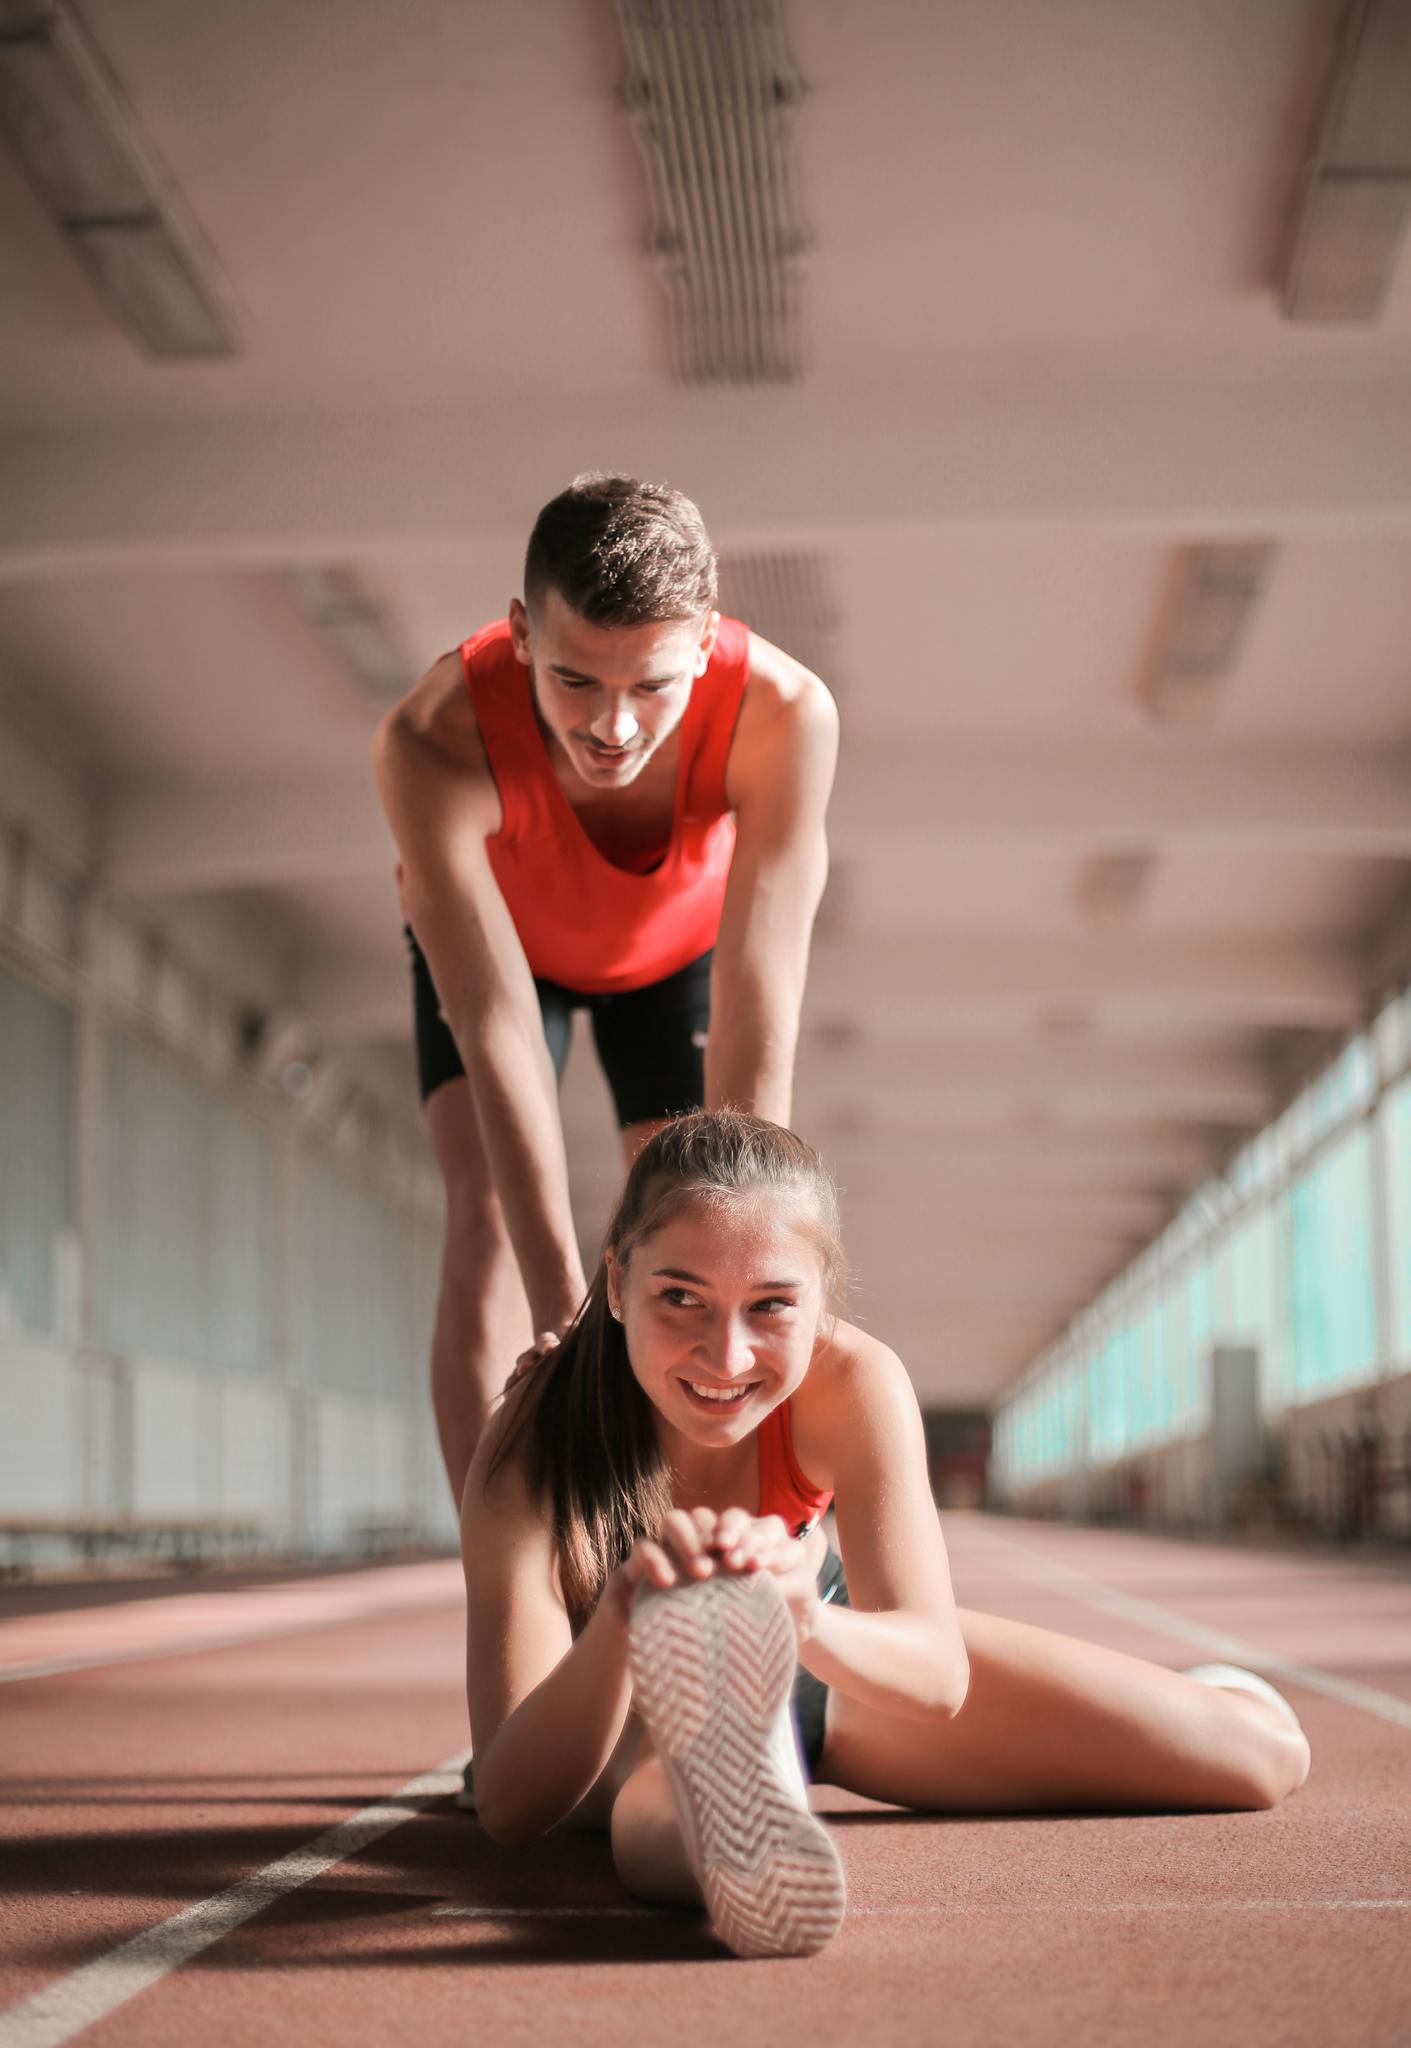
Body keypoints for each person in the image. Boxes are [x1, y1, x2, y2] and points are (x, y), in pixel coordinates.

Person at [462, 1109, 1312, 1960]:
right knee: (663, 1812)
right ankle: (742, 1815)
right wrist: (622, 1613)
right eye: (679, 1296)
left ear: (821, 1301)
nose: (725, 1355)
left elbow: (934, 1673)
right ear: (616, 1283)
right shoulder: (535, 1438)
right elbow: (509, 1800)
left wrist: (802, 1614)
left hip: (825, 1656)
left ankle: (1205, 1695)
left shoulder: (852, 1382)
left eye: (770, 1306)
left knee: (1261, 1756)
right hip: (621, 1706)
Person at [373, 475, 838, 1508]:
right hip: (505, 956)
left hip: (673, 956)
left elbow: (761, 1000)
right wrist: (565, 1328)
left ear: (708, 639)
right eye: (576, 681)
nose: (615, 727)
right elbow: (496, 1029)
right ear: (520, 634)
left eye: (653, 687)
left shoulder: (787, 715)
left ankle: (697, 1512)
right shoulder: (429, 739)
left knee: (686, 1213)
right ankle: (507, 1544)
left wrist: (744, 1259)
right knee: (488, 1215)